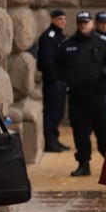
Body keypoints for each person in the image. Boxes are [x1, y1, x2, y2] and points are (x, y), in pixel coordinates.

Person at [55, 11, 106, 176]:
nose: (83, 25)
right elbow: (57, 64)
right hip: (77, 96)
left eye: (86, 22)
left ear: (92, 24)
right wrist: (67, 77)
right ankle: (83, 163)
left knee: (104, 131)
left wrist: (104, 75)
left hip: (98, 95)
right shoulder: (67, 44)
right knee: (80, 131)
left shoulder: (103, 42)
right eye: (80, 22)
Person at [38, 9, 70, 152]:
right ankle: (49, 141)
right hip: (53, 81)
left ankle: (55, 139)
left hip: (61, 80)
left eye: (63, 19)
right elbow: (46, 61)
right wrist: (54, 78)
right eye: (59, 19)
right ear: (52, 19)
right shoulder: (49, 36)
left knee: (58, 112)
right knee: (52, 111)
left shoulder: (59, 35)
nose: (62, 21)